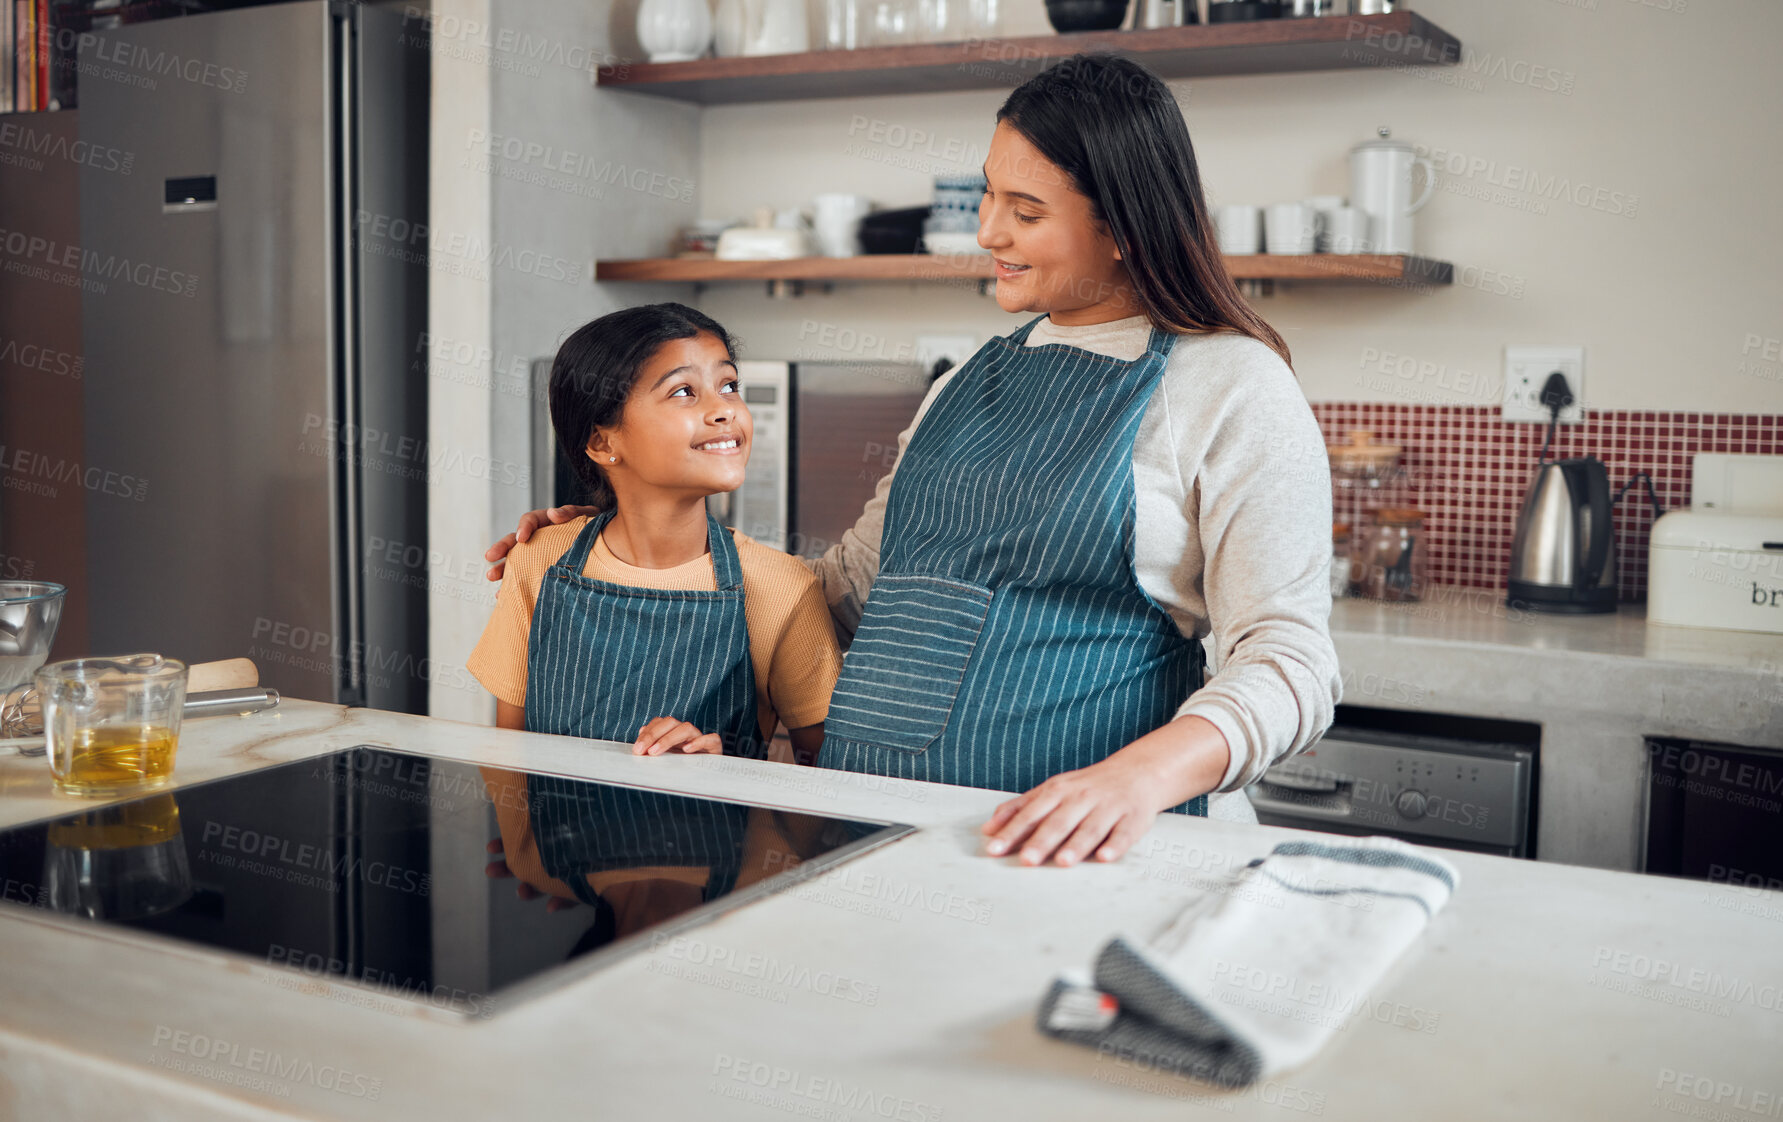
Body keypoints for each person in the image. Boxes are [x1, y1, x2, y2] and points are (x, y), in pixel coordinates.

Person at [485, 54, 1341, 869]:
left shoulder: (1230, 385)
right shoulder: (966, 381)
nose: (987, 231)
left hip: (1087, 861)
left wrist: (1136, 779)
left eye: (1026, 211)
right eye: (989, 195)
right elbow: (842, 591)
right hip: (874, 844)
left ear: (1121, 227)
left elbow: (1290, 661)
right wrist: (628, 540)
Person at [465, 303, 840, 767]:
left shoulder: (782, 588)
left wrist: (731, 770)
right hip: (556, 840)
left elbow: (825, 784)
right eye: (684, 391)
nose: (724, 409)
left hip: (714, 840)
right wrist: (522, 843)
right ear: (603, 442)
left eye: (729, 386)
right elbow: (509, 761)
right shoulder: (538, 560)